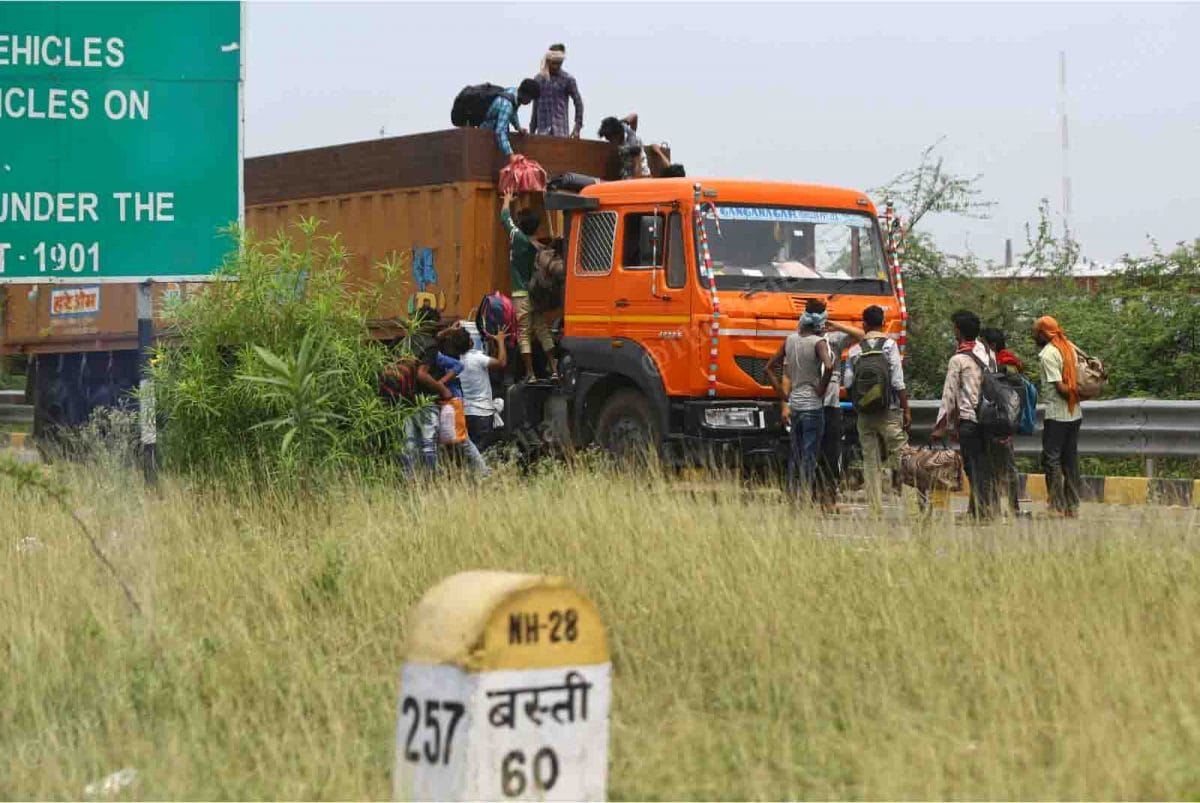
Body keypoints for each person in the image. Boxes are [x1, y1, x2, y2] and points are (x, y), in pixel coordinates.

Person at [842, 305, 910, 512]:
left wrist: (861, 403)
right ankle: (911, 500)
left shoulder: (854, 350)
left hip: (864, 413)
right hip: (887, 410)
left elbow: (848, 383)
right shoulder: (889, 345)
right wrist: (906, 409)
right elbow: (898, 381)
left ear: (863, 324)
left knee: (870, 458)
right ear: (882, 323)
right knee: (901, 454)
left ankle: (875, 506)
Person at [931, 310, 996, 521]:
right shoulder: (988, 353)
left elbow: (948, 395)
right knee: (984, 465)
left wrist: (940, 426)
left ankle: (979, 512)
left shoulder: (958, 359)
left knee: (972, 466)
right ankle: (982, 509)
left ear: (958, 331)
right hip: (989, 418)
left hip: (969, 420)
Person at [766, 300, 832, 504]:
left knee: (795, 453)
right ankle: (804, 496)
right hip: (812, 406)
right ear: (821, 322)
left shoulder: (790, 340)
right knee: (809, 455)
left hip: (794, 406)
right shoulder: (818, 342)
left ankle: (791, 495)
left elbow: (768, 367)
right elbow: (828, 367)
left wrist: (782, 394)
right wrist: (820, 388)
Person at [501, 191, 558, 382]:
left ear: (521, 225)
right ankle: (555, 368)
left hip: (521, 294)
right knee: (542, 330)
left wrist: (508, 199)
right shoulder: (538, 245)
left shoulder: (518, 239)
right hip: (536, 294)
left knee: (523, 334)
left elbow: (504, 217)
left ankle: (531, 373)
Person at [1034, 315, 1083, 517]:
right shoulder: (1069, 347)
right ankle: (1072, 506)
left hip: (1057, 414)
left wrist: (1073, 392)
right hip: (1075, 414)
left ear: (1044, 334)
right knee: (1070, 460)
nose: (1033, 336)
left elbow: (1061, 389)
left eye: (1036, 332)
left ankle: (1056, 506)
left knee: (1052, 460)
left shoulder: (1048, 354)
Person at [816, 317, 865, 511]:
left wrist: (837, 326)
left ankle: (828, 497)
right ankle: (811, 494)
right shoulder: (800, 341)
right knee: (812, 454)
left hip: (831, 407)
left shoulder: (833, 340)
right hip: (810, 406)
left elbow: (861, 336)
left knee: (832, 454)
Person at [980, 327, 1026, 517]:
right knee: (1007, 466)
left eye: (983, 343)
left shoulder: (1000, 364)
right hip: (1008, 421)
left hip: (998, 420)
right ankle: (1010, 507)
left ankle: (1001, 508)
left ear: (992, 345)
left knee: (997, 467)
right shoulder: (1013, 363)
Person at [434, 325, 492, 477]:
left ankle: (480, 471)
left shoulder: (443, 357)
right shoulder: (462, 358)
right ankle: (481, 471)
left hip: (451, 401)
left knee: (458, 440)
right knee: (460, 439)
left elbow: (433, 340)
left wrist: (447, 331)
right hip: (454, 401)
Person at [452, 325, 508, 451]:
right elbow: (502, 362)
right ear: (470, 342)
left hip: (466, 412)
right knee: (482, 452)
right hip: (482, 413)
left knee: (471, 450)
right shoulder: (477, 358)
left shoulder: (455, 361)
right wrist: (500, 341)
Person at [480, 79, 541, 164]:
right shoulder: (507, 105)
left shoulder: (513, 92)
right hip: (485, 131)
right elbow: (500, 131)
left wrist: (518, 127)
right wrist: (510, 154)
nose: (529, 102)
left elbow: (513, 112)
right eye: (530, 99)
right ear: (525, 95)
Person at [530, 44, 583, 139]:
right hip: (542, 133)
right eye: (554, 63)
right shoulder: (538, 79)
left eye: (559, 63)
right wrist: (531, 133)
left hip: (561, 132)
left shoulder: (567, 79)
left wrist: (577, 128)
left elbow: (578, 103)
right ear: (548, 61)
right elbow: (535, 107)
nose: (556, 66)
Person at [598, 114, 651, 179]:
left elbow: (637, 165)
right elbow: (634, 116)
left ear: (617, 135)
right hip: (626, 172)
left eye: (611, 139)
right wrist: (622, 121)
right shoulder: (624, 128)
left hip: (640, 176)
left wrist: (635, 182)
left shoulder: (631, 143)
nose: (610, 142)